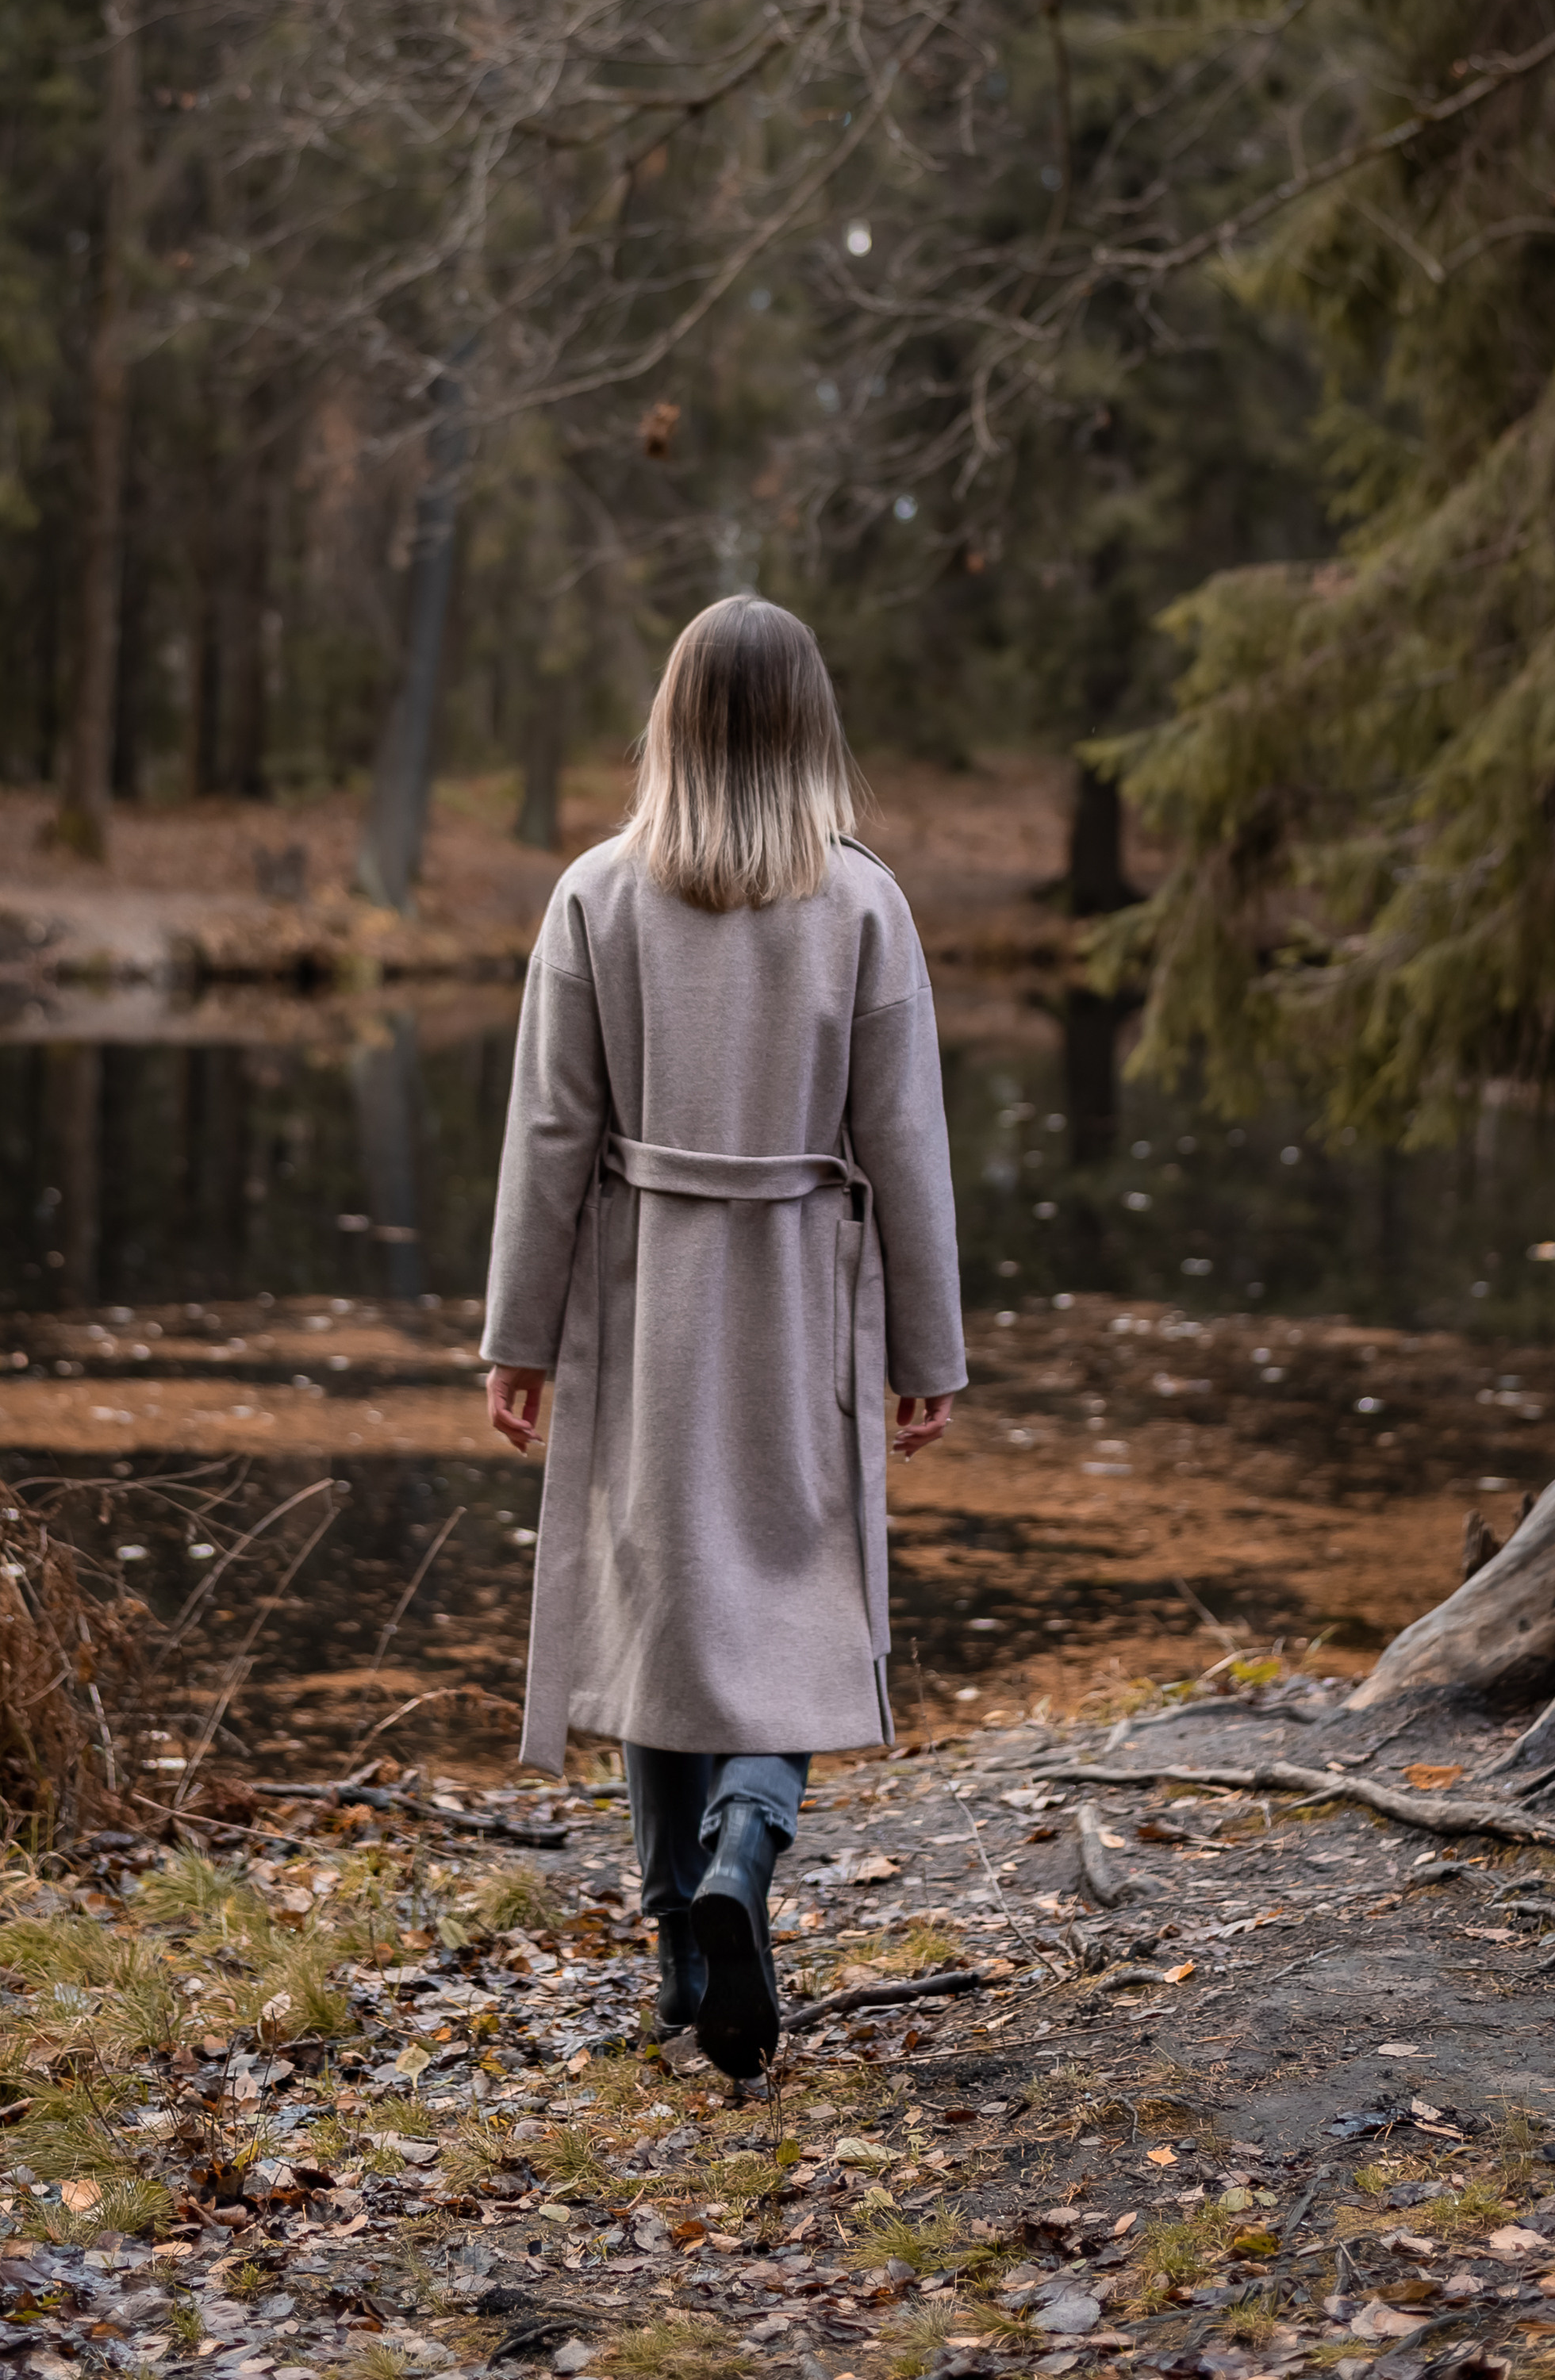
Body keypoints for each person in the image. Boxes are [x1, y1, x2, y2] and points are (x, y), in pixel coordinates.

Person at [480, 596, 966, 2079]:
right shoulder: (865, 905)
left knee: (661, 1599)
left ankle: (675, 1939)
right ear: (813, 729)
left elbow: (551, 1131)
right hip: (802, 1291)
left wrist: (519, 1333)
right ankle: (742, 1853)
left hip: (642, 1292)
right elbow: (909, 1142)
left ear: (671, 723)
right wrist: (925, 1351)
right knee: (801, 1593)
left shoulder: (597, 893)